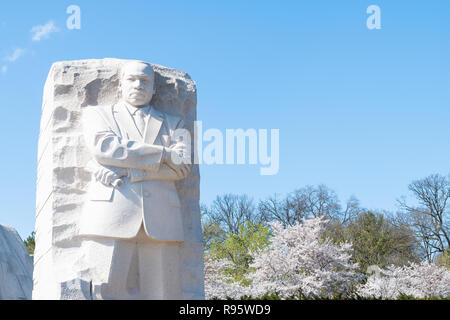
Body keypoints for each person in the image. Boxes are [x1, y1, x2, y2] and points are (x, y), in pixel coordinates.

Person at [79, 60, 191, 299]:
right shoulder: (98, 115)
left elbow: (182, 166)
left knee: (163, 293)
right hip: (110, 214)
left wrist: (135, 171)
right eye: (132, 79)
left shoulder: (175, 124)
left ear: (154, 89)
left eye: (145, 81)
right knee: (104, 291)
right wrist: (163, 153)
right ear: (120, 85)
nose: (138, 85)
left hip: (162, 219)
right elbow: (106, 148)